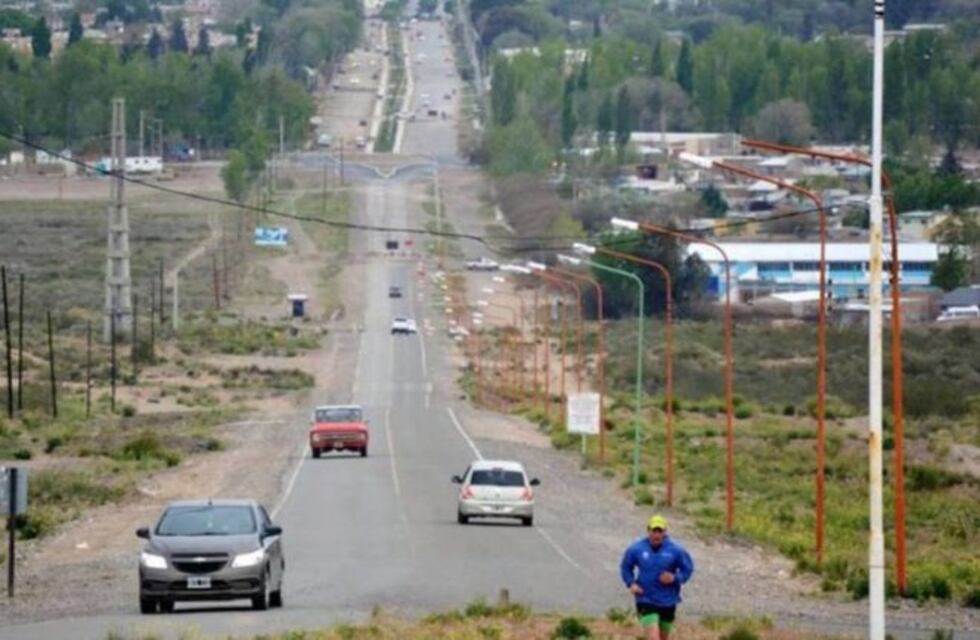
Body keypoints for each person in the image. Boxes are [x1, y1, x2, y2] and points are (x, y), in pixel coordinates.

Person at [619, 515, 694, 640]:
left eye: (660, 531)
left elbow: (688, 569)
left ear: (665, 532)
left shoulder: (676, 550)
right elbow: (626, 567)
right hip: (645, 598)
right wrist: (631, 583)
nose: (656, 535)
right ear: (648, 530)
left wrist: (675, 578)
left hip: (668, 600)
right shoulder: (636, 549)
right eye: (654, 531)